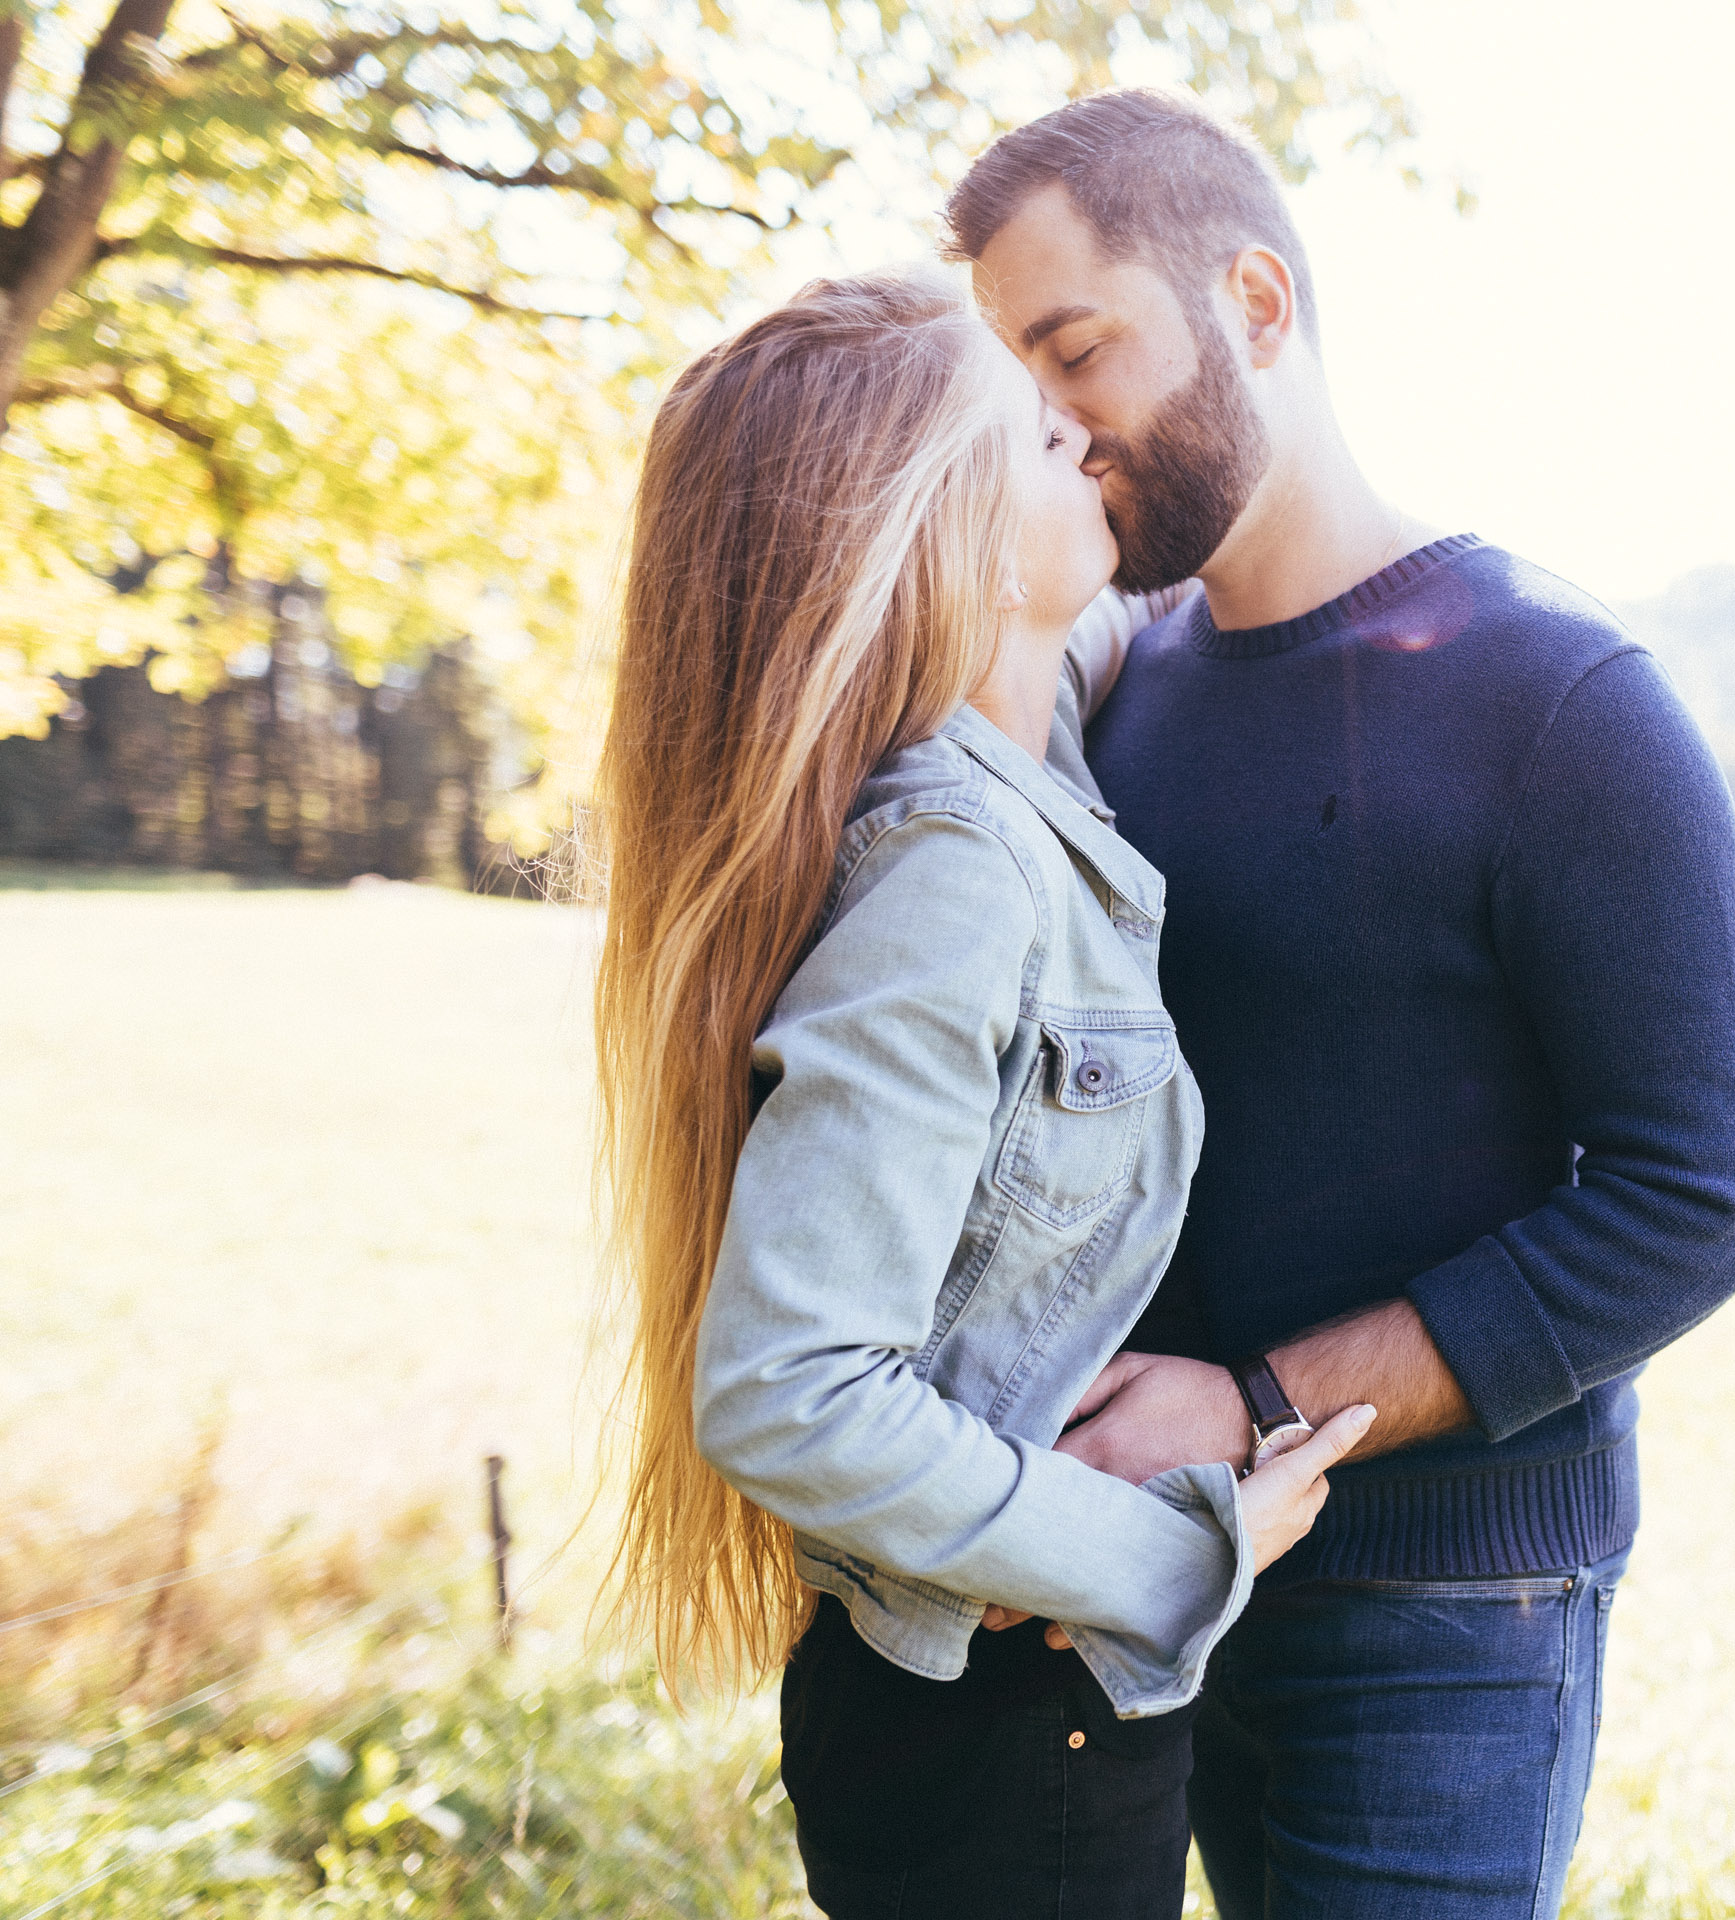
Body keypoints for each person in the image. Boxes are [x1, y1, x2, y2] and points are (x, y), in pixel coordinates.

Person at [947, 90, 1735, 1920]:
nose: (1056, 427)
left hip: (1446, 1613)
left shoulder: (1563, 701)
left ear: (1254, 300)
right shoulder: (1109, 693)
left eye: (1080, 351)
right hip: (1140, 1576)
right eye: (1021, 384)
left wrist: (1253, 1406)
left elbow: (1695, 1204)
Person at [586, 264, 1373, 1920]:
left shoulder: (1030, 736)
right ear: (944, 537)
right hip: (1004, 1735)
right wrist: (1173, 1553)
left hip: (1011, 1715)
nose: (1083, 433)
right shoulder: (956, 874)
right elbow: (787, 1385)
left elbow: (1114, 597)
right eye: (1035, 432)